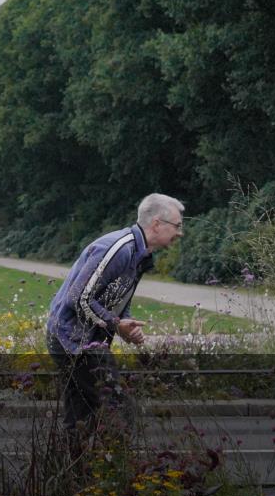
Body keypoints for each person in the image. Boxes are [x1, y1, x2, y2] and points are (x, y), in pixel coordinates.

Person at [46, 193, 185, 451]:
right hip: (72, 340)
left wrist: (126, 323)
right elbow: (78, 298)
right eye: (177, 226)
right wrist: (114, 324)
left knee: (80, 415)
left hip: (85, 340)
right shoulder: (119, 249)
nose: (180, 233)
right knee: (118, 407)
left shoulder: (139, 253)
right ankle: (123, 469)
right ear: (156, 223)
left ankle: (70, 474)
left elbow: (116, 297)